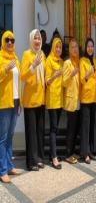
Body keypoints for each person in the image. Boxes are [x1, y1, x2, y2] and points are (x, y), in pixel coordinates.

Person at [21, 29, 45, 171]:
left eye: (39, 39)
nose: (37, 41)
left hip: (40, 99)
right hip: (30, 100)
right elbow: (23, 76)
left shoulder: (42, 54)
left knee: (39, 131)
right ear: (31, 40)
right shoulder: (27, 54)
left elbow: (46, 74)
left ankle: (39, 158)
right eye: (35, 38)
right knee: (31, 132)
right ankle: (31, 162)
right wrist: (33, 66)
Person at [0, 31, 21, 183]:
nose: (9, 43)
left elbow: (18, 81)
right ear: (3, 41)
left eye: (12, 40)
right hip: (4, 102)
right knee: (3, 137)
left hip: (15, 100)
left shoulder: (16, 58)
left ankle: (9, 166)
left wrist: (19, 101)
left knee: (10, 135)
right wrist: (5, 69)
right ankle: (2, 170)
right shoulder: (0, 58)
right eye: (7, 40)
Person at [45, 38, 63, 169]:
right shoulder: (48, 60)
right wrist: (54, 76)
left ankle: (53, 153)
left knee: (56, 128)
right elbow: (46, 81)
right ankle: (53, 157)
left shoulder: (62, 61)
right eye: (56, 47)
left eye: (60, 47)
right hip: (52, 99)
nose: (58, 49)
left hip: (60, 99)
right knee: (53, 129)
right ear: (52, 47)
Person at [80, 38, 96, 164]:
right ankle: (85, 153)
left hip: (95, 98)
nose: (90, 48)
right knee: (86, 127)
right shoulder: (82, 61)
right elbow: (82, 79)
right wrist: (88, 74)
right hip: (86, 98)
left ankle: (91, 151)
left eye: (92, 46)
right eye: (88, 46)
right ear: (85, 48)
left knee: (93, 126)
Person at [63, 39, 80, 164]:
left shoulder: (77, 62)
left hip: (78, 100)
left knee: (75, 128)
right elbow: (64, 82)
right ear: (69, 50)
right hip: (70, 101)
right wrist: (72, 74)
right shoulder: (67, 63)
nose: (75, 49)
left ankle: (73, 152)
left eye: (76, 47)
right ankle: (68, 154)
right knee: (70, 129)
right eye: (73, 47)